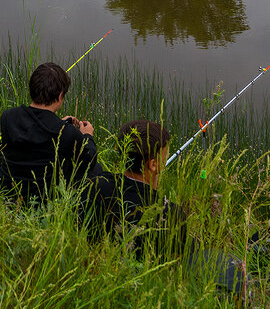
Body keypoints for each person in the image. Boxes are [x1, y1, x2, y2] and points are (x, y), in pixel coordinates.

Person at [87, 119, 246, 299]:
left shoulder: (98, 185)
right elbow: (174, 264)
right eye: (165, 153)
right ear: (153, 164)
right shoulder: (169, 213)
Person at [0, 62, 100, 205]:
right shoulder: (67, 133)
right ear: (60, 95)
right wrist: (87, 136)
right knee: (97, 169)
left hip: (11, 194)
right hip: (44, 202)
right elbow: (89, 161)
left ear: (32, 88)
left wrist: (59, 123)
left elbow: (35, 129)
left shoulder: (8, 117)